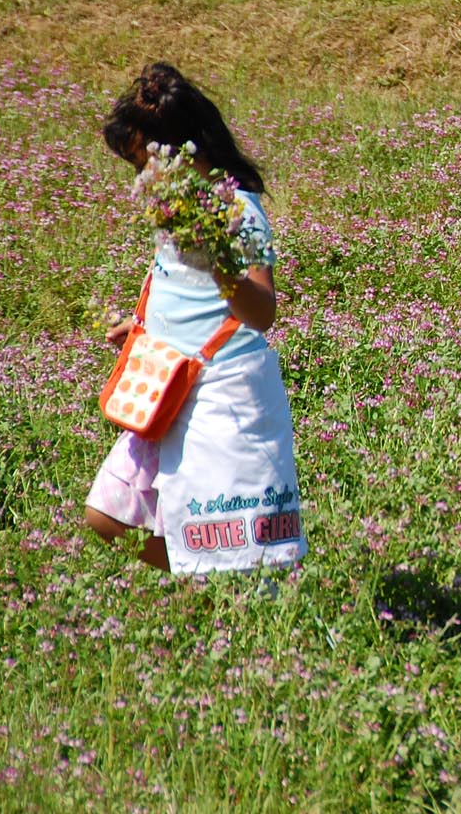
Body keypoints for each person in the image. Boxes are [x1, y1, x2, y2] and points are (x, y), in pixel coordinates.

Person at [86, 63, 307, 574]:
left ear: (184, 149)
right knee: (105, 515)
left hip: (223, 394)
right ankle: (196, 571)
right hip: (167, 383)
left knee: (245, 546)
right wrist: (143, 325)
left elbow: (262, 311)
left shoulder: (239, 211)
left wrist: (218, 261)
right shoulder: (177, 208)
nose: (144, 177)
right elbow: (173, 278)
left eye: (147, 162)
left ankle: (218, 590)